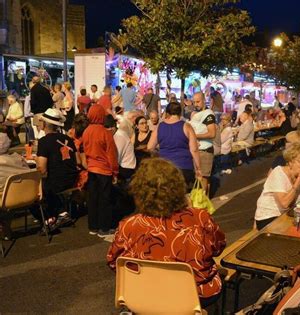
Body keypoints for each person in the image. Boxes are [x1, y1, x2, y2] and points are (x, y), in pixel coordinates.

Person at [106, 158, 226, 307]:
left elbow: (114, 262)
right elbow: (218, 247)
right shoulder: (199, 218)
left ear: (138, 191)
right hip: (194, 296)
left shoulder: (129, 225)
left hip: (144, 294)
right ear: (178, 187)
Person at [36, 108, 79, 232]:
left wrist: (36, 160)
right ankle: (62, 213)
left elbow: (42, 169)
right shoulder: (68, 139)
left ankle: (50, 219)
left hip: (57, 182)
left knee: (39, 189)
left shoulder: (44, 142)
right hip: (72, 178)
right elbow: (78, 161)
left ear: (44, 125)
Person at [254, 143, 300, 230]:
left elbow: (296, 200)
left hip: (286, 215)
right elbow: (284, 204)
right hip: (268, 217)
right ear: (290, 162)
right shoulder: (278, 173)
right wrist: (299, 181)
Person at [83, 105, 119, 237]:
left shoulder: (86, 131)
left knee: (93, 198)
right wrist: (115, 172)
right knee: (105, 199)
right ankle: (104, 228)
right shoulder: (105, 133)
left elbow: (85, 150)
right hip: (104, 170)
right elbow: (111, 154)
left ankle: (93, 226)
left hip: (91, 168)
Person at [148, 102, 202, 187]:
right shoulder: (187, 126)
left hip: (165, 167)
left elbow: (150, 147)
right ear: (180, 112)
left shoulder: (159, 127)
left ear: (167, 113)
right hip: (184, 166)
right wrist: (198, 169)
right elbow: (194, 150)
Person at [0, 133, 30, 240]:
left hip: (5, 200)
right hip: (27, 196)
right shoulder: (19, 159)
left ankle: (4, 225)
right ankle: (5, 226)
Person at [191, 92, 216, 194]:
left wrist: (194, 136)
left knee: (203, 178)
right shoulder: (195, 114)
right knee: (200, 177)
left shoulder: (208, 114)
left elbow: (212, 133)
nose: (196, 104)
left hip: (205, 151)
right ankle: (204, 201)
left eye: (198, 101)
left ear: (204, 100)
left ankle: (202, 202)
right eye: (194, 102)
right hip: (196, 150)